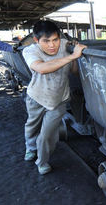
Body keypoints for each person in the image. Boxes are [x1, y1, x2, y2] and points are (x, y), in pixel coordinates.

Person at [22, 20, 86, 175]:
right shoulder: (30, 51)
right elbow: (42, 69)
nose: (52, 45)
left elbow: (75, 72)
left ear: (59, 37)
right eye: (46, 41)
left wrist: (75, 55)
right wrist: (72, 57)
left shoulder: (65, 45)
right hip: (37, 97)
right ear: (36, 40)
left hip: (59, 99)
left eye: (55, 40)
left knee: (48, 134)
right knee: (32, 127)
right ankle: (30, 147)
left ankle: (42, 161)